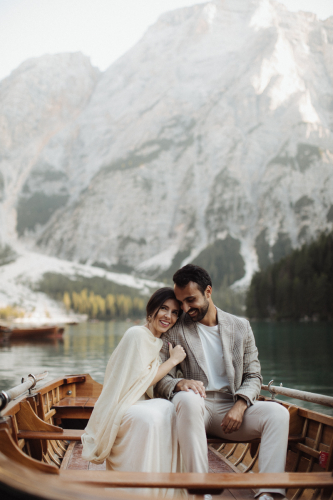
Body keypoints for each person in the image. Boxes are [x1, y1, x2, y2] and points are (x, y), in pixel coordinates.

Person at [155, 264, 290, 500]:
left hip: (232, 409)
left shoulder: (241, 327)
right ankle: (201, 491)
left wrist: (241, 404)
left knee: (278, 414)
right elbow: (160, 376)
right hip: (195, 408)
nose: (185, 308)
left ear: (208, 291)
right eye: (180, 302)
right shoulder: (176, 330)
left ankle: (269, 493)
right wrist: (178, 384)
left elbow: (253, 375)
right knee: (187, 399)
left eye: (190, 300)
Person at [81, 287, 186, 498]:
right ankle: (139, 490)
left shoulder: (160, 342)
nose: (168, 316)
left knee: (169, 409)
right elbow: (141, 380)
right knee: (149, 417)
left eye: (175, 312)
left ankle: (162, 487)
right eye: (164, 308)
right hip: (124, 403)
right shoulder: (136, 334)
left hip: (142, 400)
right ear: (151, 310)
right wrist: (173, 361)